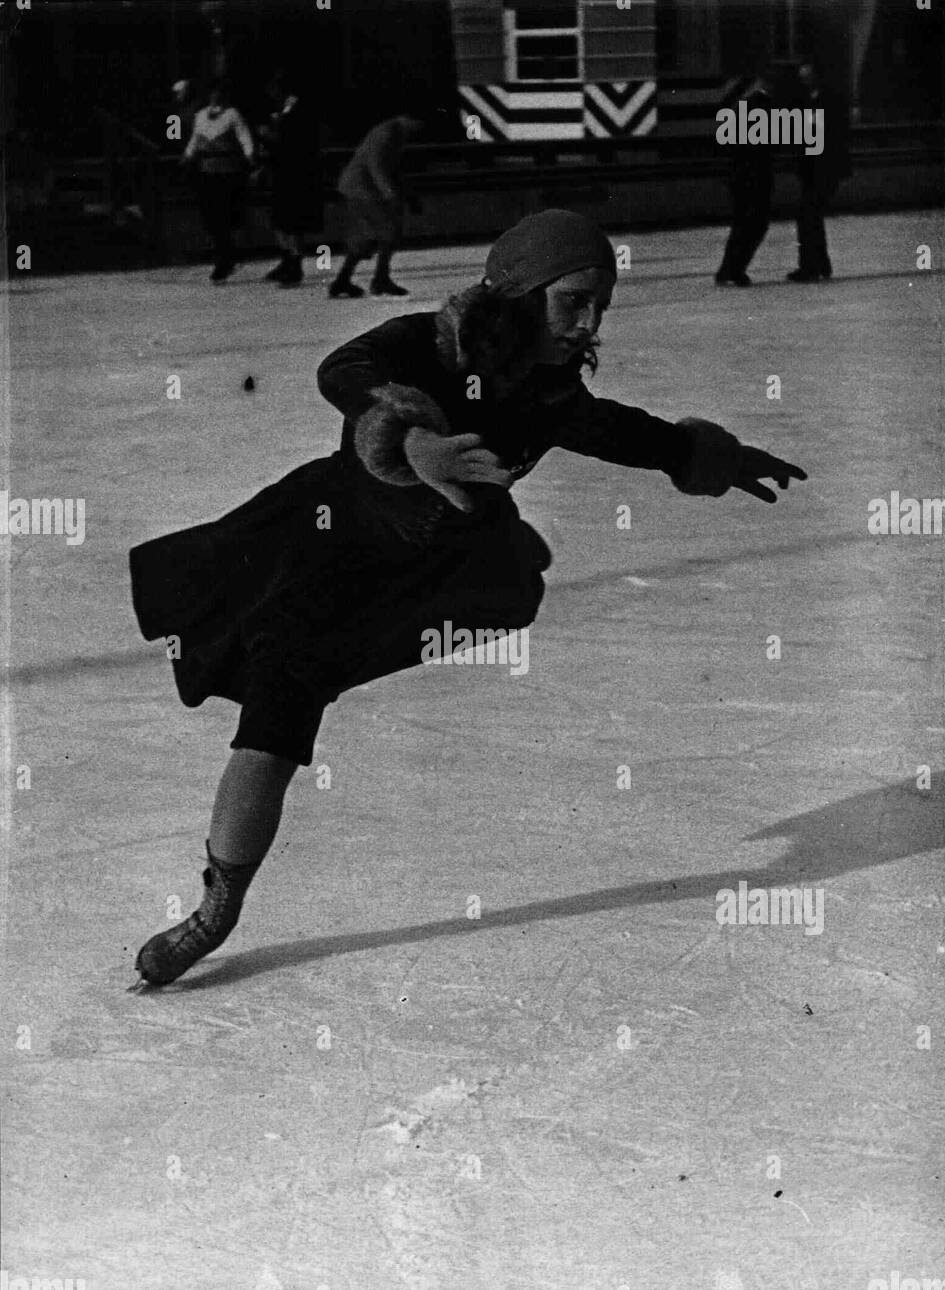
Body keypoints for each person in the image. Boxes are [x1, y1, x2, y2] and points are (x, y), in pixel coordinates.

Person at [128, 209, 806, 988]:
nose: (587, 323)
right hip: (322, 555)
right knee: (274, 726)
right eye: (572, 301)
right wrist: (408, 436)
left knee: (504, 570)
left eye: (599, 305)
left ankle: (504, 552)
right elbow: (341, 369)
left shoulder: (548, 394)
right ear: (520, 294)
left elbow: (634, 435)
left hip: (433, 566)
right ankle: (216, 910)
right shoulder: (430, 344)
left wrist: (709, 455)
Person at [328, 113, 426, 299]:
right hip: (362, 188)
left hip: (361, 188)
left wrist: (406, 195)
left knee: (372, 235)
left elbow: (390, 167)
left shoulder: (394, 132)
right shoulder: (388, 133)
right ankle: (378, 278)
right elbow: (377, 165)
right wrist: (390, 193)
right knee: (387, 231)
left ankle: (347, 279)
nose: (418, 129)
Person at [183, 84, 256, 282]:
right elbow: (196, 138)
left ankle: (225, 257)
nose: (215, 96)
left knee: (223, 214)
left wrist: (249, 154)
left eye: (219, 93)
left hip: (226, 170)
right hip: (206, 170)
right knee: (211, 215)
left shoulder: (232, 114)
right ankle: (225, 253)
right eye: (213, 93)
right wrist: (188, 154)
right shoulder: (200, 115)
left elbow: (243, 135)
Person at [787, 60, 852, 282]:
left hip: (823, 169)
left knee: (808, 216)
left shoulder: (824, 101)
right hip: (815, 170)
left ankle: (811, 267)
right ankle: (820, 265)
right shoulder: (813, 101)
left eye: (807, 77)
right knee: (811, 216)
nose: (804, 81)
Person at [260, 75, 323, 287]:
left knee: (291, 221)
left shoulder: (298, 111)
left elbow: (293, 144)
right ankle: (288, 259)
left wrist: (270, 136)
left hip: (294, 173)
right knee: (281, 219)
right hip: (283, 172)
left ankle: (294, 263)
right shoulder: (285, 111)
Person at [715, 74, 775, 287]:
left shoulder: (742, 108)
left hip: (739, 176)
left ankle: (727, 269)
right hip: (757, 177)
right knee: (757, 224)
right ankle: (736, 269)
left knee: (741, 224)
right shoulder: (766, 108)